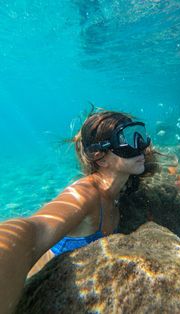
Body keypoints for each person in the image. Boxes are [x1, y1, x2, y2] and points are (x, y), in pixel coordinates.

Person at [0, 109, 156, 314]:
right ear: (100, 158)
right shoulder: (85, 193)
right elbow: (32, 230)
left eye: (139, 134)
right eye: (127, 138)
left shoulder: (120, 190)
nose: (141, 146)